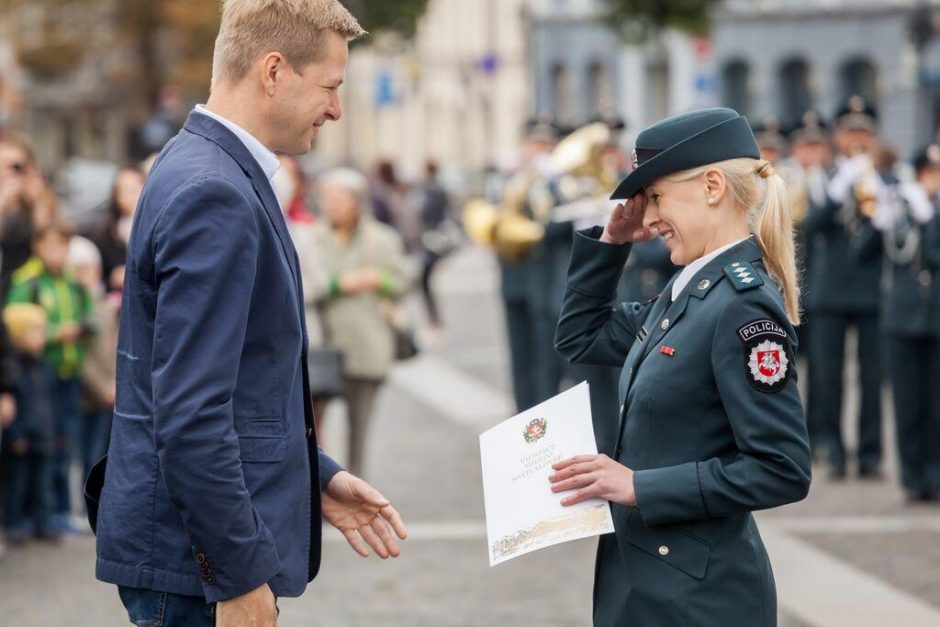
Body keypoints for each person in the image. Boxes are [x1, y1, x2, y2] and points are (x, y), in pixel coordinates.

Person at [83, 3, 407, 626]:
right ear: (274, 71)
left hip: (187, 551)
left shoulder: (201, 163)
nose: (336, 109)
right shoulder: (215, 190)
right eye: (331, 87)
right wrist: (236, 575)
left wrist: (313, 477)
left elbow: (232, 390)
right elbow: (190, 413)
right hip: (195, 569)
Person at [551, 108, 811, 626]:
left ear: (712, 185)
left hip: (702, 600)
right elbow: (581, 336)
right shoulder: (689, 290)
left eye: (656, 197)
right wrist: (612, 241)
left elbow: (781, 468)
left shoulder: (740, 304)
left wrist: (638, 487)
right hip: (651, 587)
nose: (648, 219)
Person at [804, 95, 887, 479]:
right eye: (850, 132)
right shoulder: (825, 176)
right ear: (837, 137)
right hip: (830, 289)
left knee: (872, 376)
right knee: (827, 375)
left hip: (871, 288)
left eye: (863, 133)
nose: (856, 139)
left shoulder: (886, 175)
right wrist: (841, 188)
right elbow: (811, 227)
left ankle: (870, 453)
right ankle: (832, 447)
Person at [311, 168, 410, 477]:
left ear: (356, 201)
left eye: (339, 198)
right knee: (313, 426)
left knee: (360, 425)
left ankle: (356, 482)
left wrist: (379, 279)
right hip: (322, 345)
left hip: (367, 344)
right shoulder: (312, 237)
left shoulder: (381, 238)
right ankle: (320, 485)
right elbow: (305, 282)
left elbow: (404, 281)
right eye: (327, 198)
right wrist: (339, 284)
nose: (332, 204)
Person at [6, 219, 94, 529]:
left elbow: (87, 318)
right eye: (53, 245)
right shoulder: (27, 282)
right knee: (33, 443)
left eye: (64, 246)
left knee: (64, 441)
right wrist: (57, 334)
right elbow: (16, 325)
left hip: (70, 373)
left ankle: (57, 511)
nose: (59, 253)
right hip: (37, 374)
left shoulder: (71, 283)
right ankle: (31, 513)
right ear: (38, 246)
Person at [875, 144, 940, 504]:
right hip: (902, 317)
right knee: (907, 401)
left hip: (935, 319)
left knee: (936, 403)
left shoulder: (931, 213)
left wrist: (929, 218)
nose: (934, 182)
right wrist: (896, 213)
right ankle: (913, 476)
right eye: (929, 175)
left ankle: (935, 473)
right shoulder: (903, 209)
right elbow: (886, 248)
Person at [1, 303, 58, 543]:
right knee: (17, 485)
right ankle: (14, 525)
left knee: (43, 485)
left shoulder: (46, 367)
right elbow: (13, 406)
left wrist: (57, 431)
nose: (41, 338)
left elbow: (52, 402)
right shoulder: (13, 370)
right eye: (35, 332)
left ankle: (43, 524)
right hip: (22, 436)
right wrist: (15, 434)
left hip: (43, 434)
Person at [68, 236, 116, 482]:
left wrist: (113, 384)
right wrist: (102, 388)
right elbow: (83, 356)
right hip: (88, 392)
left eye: (89, 268)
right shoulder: (77, 307)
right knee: (85, 452)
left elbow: (114, 347)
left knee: (103, 450)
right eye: (79, 269)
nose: (85, 275)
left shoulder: (105, 305)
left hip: (109, 390)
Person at [0, 133, 57, 299]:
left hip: (32, 287)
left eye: (16, 166)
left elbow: (47, 237)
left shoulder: (38, 197)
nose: (8, 172)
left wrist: (37, 200)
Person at [89, 166, 145, 294]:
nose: (130, 197)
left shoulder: (153, 227)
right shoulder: (106, 233)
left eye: (134, 190)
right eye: (124, 191)